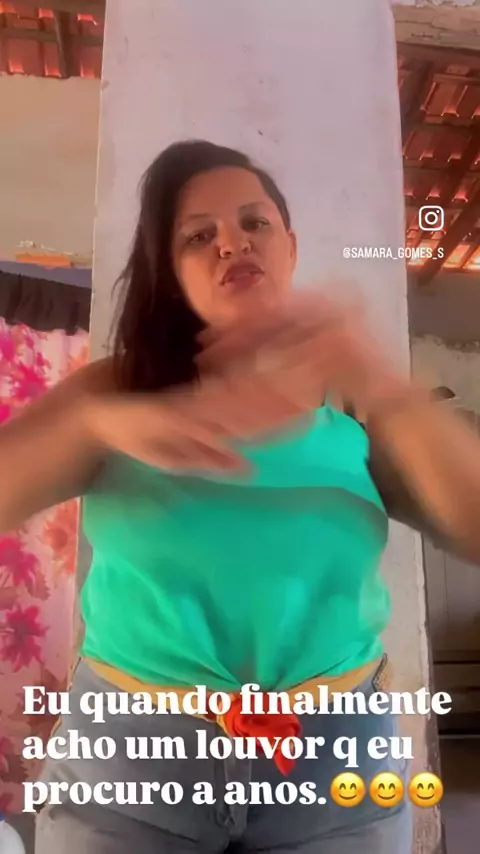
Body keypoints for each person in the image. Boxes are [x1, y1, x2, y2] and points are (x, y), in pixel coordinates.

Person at [2, 140, 480, 854]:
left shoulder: (357, 399)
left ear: (290, 246)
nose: (233, 242)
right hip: (131, 763)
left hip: (336, 768)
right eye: (199, 236)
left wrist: (384, 382)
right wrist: (93, 425)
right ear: (171, 272)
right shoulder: (118, 390)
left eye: (254, 222)